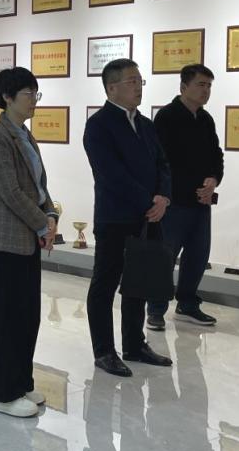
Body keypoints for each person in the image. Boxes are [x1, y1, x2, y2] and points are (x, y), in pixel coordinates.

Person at [83, 58, 173, 378]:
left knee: (139, 283)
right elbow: (111, 175)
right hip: (115, 218)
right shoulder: (99, 125)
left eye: (140, 81)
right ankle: (104, 351)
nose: (138, 87)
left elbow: (163, 164)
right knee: (105, 284)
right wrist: (149, 201)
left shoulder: (146, 125)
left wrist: (163, 197)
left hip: (148, 218)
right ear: (112, 88)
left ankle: (135, 345)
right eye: (132, 81)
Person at [0, 67, 58, 418]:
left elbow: (38, 186)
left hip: (27, 239)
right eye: (28, 94)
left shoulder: (24, 134)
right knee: (7, 319)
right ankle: (2, 393)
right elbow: (10, 192)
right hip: (5, 242)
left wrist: (50, 215)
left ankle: (21, 382)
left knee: (27, 316)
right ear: (7, 97)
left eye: (36, 94)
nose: (34, 101)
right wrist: (42, 223)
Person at [147, 64, 223, 331]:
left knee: (198, 256)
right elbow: (162, 161)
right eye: (201, 85)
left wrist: (213, 180)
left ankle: (187, 304)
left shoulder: (206, 119)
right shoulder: (166, 117)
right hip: (174, 202)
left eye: (209, 86)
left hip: (201, 203)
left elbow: (216, 155)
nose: (206, 91)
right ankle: (155, 310)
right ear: (183, 87)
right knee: (164, 257)